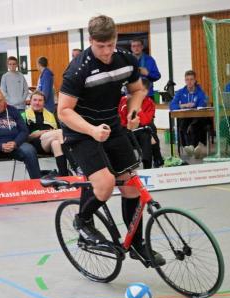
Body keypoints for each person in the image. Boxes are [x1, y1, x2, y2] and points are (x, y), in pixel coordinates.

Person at [58, 15, 165, 266]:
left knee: (131, 187)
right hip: (81, 133)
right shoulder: (78, 69)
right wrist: (92, 131)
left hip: (112, 127)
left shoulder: (126, 59)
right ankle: (82, 220)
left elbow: (138, 90)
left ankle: (137, 246)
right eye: (100, 46)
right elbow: (64, 111)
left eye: (110, 45)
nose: (106, 52)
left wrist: (134, 110)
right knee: (105, 183)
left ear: (116, 39)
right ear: (90, 40)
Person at [0, 88, 41, 183]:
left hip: (13, 145)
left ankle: (38, 186)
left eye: (0, 101)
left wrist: (15, 143)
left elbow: (24, 131)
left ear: (5, 101)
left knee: (29, 150)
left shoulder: (13, 110)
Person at [21, 91, 69, 176]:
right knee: (60, 132)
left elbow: (56, 132)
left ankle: (63, 174)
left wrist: (50, 133)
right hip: (34, 144)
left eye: (40, 100)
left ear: (44, 102)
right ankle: (75, 164)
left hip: (49, 143)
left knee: (56, 143)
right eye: (35, 100)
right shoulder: (23, 115)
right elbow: (23, 138)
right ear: (30, 101)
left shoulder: (50, 115)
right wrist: (38, 133)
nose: (37, 103)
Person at [118, 78, 158, 169]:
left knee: (146, 134)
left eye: (143, 91)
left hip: (140, 132)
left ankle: (147, 166)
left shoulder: (150, 103)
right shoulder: (124, 100)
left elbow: (146, 121)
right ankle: (157, 159)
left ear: (147, 92)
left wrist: (139, 110)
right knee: (148, 133)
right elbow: (121, 120)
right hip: (126, 132)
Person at [169, 70, 210, 159]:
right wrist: (183, 105)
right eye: (187, 79)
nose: (189, 82)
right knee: (183, 124)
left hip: (197, 117)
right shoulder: (180, 92)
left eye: (191, 79)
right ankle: (193, 147)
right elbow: (172, 105)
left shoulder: (200, 92)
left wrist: (194, 105)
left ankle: (191, 147)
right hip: (185, 117)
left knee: (195, 125)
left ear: (195, 80)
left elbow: (201, 105)